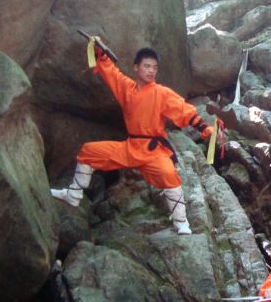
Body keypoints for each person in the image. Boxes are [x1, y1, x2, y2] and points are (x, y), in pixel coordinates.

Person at [50, 43, 212, 234]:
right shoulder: (126, 88)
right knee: (89, 151)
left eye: (154, 67)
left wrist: (203, 127)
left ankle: (181, 222)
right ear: (136, 67)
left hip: (153, 149)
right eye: (147, 66)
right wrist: (100, 55)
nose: (151, 71)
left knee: (169, 174)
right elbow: (111, 73)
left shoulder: (161, 93)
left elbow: (184, 110)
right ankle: (74, 194)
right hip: (131, 146)